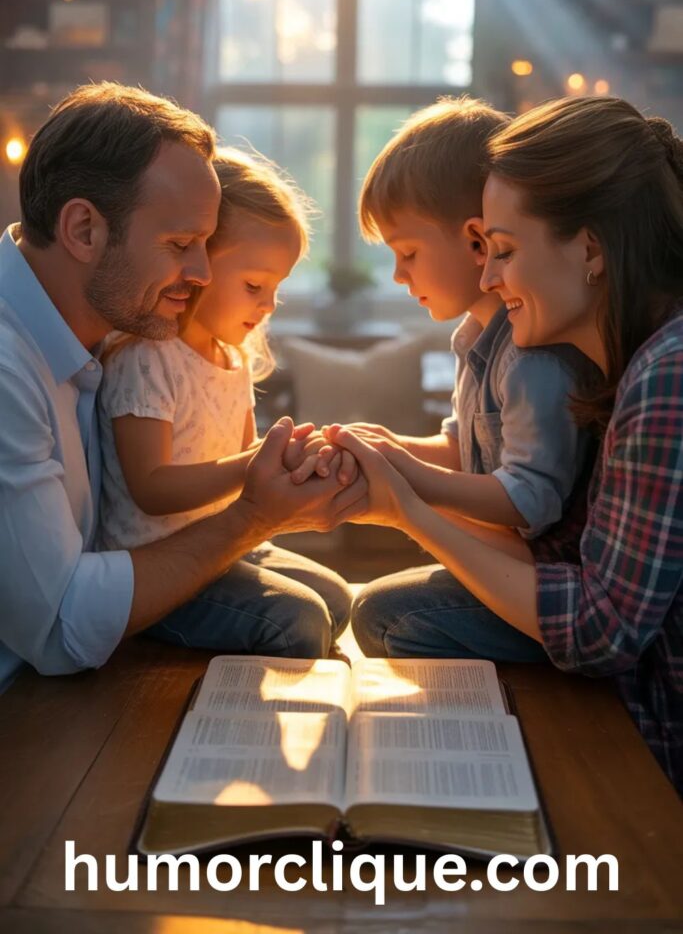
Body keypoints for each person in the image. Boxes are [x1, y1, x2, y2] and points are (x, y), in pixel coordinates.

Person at [329, 95, 682, 792]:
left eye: (506, 250)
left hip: (650, 748)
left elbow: (597, 632)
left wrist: (406, 508)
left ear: (589, 250)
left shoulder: (666, 377)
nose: (487, 276)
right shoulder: (633, 365)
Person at [0, 82, 367, 690]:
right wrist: (252, 514)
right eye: (180, 245)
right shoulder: (13, 369)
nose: (200, 273)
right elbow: (63, 628)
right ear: (84, 230)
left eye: (206, 244)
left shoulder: (94, 336)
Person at [306, 96, 596, 661]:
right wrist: (386, 447)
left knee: (387, 614)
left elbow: (530, 498)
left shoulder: (531, 356)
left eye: (408, 251)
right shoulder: (475, 338)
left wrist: (406, 479)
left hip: (543, 584)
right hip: (506, 555)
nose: (397, 273)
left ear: (476, 242)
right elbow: (466, 449)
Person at [97, 147, 352, 653]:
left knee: (338, 599)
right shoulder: (149, 358)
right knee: (299, 621)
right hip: (161, 564)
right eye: (255, 285)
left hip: (225, 548)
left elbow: (244, 480)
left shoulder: (233, 360)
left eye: (276, 289)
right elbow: (151, 488)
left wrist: (294, 465)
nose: (268, 305)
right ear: (199, 264)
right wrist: (251, 466)